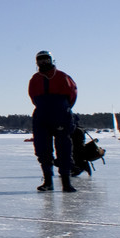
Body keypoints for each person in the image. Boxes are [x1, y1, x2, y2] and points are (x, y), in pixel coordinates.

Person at [28, 50, 78, 192]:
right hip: (41, 116)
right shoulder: (35, 79)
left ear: (52, 60)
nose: (43, 62)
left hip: (61, 115)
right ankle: (48, 182)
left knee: (63, 149)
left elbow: (72, 94)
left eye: (46, 59)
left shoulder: (63, 76)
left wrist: (63, 108)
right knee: (43, 150)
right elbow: (32, 96)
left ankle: (66, 183)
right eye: (40, 60)